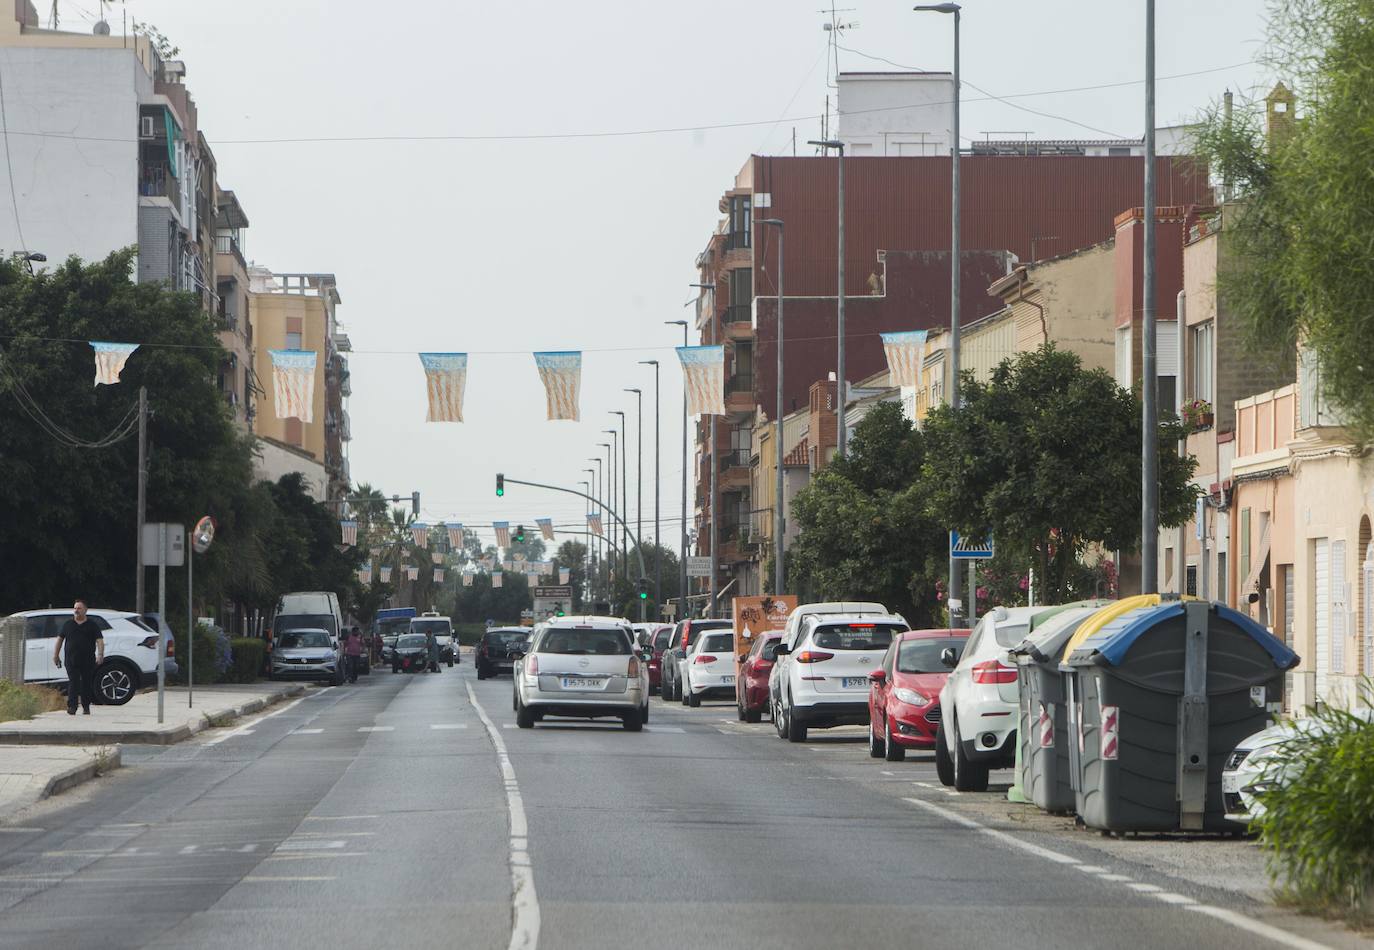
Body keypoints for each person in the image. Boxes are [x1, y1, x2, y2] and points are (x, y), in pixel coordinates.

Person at [53, 600, 104, 715]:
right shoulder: (68, 624)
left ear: (85, 610)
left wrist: (100, 654)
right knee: (73, 682)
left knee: (86, 683)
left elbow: (99, 640)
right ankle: (72, 707)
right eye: (75, 608)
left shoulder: (92, 625)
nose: (76, 610)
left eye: (79, 608)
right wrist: (56, 655)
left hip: (88, 660)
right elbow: (60, 640)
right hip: (71, 660)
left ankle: (86, 706)